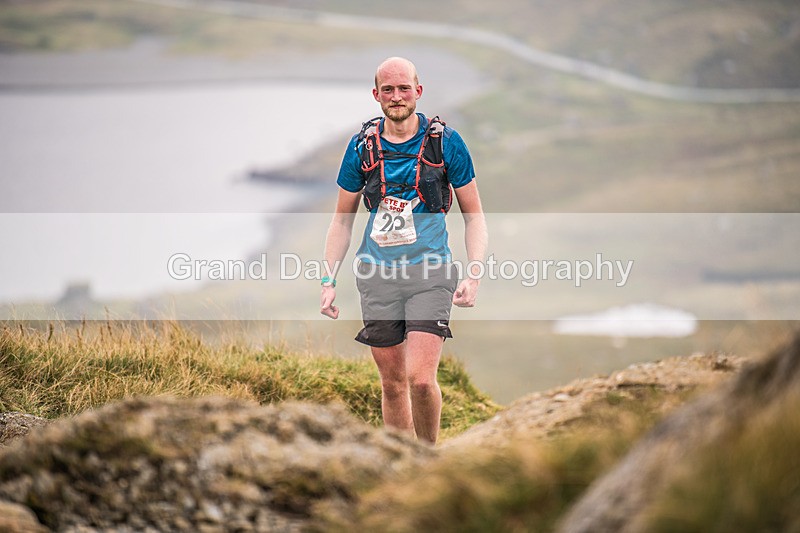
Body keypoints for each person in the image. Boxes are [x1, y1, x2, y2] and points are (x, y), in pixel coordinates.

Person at [319, 57, 487, 444]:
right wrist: (327, 280)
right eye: (388, 90)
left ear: (418, 92)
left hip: (431, 273)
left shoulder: (446, 142)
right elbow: (341, 221)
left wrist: (473, 273)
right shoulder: (362, 147)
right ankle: (401, 465)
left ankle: (429, 458)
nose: (397, 97)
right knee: (393, 384)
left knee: (421, 380)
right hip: (377, 277)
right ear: (376, 95)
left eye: (404, 88)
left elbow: (475, 217)